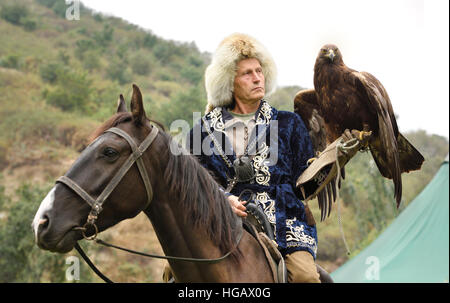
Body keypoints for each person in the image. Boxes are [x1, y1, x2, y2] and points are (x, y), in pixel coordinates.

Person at [185, 33, 322, 283]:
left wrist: (335, 158)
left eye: (259, 70)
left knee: (306, 278)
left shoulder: (289, 123)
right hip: (220, 219)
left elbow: (307, 182)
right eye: (247, 73)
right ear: (230, 81)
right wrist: (221, 199)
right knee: (174, 273)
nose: (257, 77)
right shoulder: (201, 131)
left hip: (283, 222)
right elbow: (193, 181)